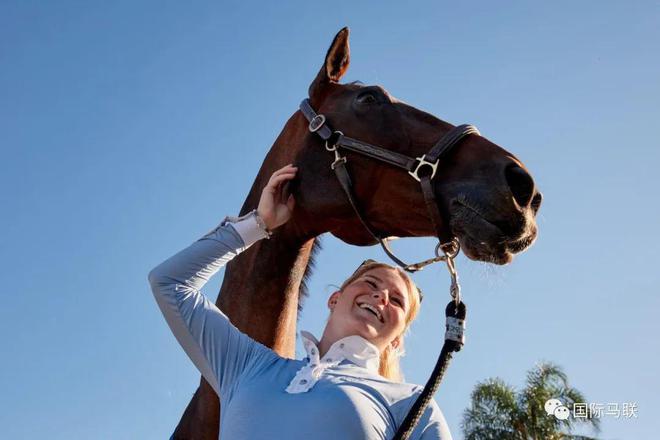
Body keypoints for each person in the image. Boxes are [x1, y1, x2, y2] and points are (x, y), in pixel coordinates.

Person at [148, 164, 453, 439]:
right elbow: (170, 282)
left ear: (398, 341)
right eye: (371, 283)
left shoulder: (410, 403)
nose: (380, 296)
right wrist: (258, 223)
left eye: (397, 300)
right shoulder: (247, 365)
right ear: (335, 299)